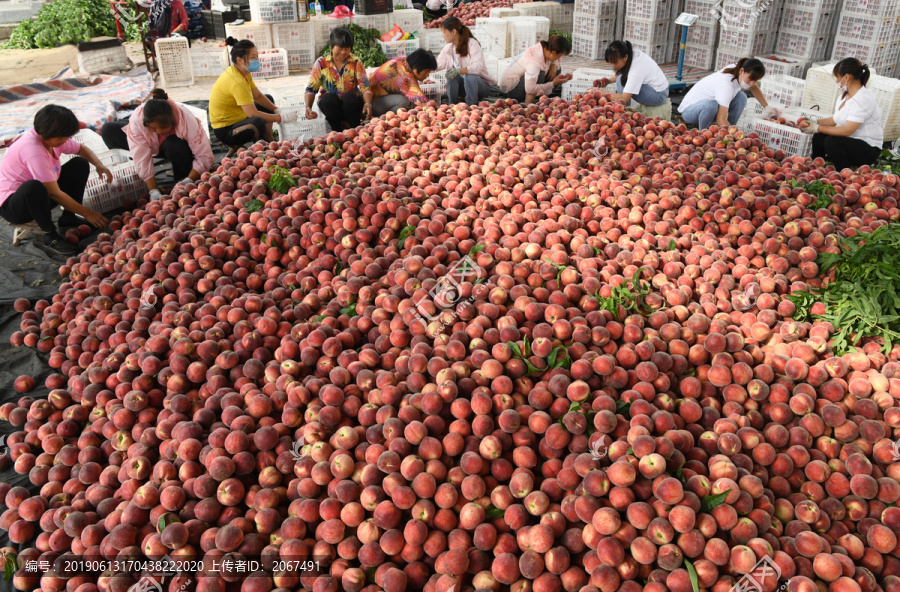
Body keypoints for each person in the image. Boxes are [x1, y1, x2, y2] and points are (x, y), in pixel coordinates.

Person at [0, 105, 110, 255]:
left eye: (66, 137)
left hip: (40, 195)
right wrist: (88, 214)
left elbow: (81, 149)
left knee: (79, 164)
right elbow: (54, 194)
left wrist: (99, 165)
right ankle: (50, 235)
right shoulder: (33, 150)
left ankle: (68, 219)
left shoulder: (53, 139)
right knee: (33, 187)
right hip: (13, 205)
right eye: (61, 137)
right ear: (46, 133)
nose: (64, 141)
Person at [100, 89, 214, 202]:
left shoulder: (185, 119)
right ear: (146, 123)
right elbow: (142, 158)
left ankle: (182, 177)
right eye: (153, 128)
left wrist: (188, 180)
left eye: (164, 128)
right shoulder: (138, 121)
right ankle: (136, 172)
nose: (159, 131)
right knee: (108, 130)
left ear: (172, 121)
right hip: (148, 142)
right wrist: (153, 191)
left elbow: (204, 155)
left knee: (174, 145)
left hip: (174, 146)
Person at [210, 37, 297, 146]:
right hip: (226, 130)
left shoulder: (243, 72)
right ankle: (264, 152)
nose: (256, 60)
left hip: (240, 118)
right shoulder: (237, 81)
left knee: (267, 99)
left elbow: (257, 96)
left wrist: (276, 110)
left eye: (257, 56)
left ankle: (269, 139)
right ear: (240, 60)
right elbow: (252, 114)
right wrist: (281, 117)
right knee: (257, 121)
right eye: (253, 57)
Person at [804, 58, 883, 171]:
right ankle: (816, 169)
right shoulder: (845, 95)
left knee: (832, 142)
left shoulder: (863, 99)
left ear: (846, 77)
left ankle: (843, 174)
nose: (837, 81)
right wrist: (814, 122)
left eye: (838, 77)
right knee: (819, 137)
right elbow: (835, 120)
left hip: (868, 148)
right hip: (850, 141)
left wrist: (818, 128)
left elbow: (847, 130)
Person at [305, 28, 374, 132]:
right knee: (329, 99)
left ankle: (354, 130)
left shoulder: (355, 62)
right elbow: (311, 89)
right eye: (340, 48)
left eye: (346, 49)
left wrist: (368, 103)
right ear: (332, 46)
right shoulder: (321, 62)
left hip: (351, 105)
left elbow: (365, 87)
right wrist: (308, 107)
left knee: (349, 99)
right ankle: (336, 130)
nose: (343, 52)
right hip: (330, 106)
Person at [678, 57, 776, 130]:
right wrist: (737, 137)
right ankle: (703, 134)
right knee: (711, 105)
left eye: (755, 80)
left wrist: (767, 107)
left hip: (710, 107)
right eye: (750, 79)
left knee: (741, 97)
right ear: (742, 71)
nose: (751, 83)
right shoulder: (726, 86)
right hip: (690, 111)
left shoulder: (738, 69)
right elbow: (721, 120)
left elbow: (754, 87)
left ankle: (728, 129)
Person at [437, 17, 495, 106]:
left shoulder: (472, 44)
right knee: (451, 75)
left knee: (470, 76)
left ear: (453, 31)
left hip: (479, 87)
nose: (443, 35)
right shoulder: (448, 48)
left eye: (444, 32)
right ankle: (452, 105)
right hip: (463, 88)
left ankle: (471, 106)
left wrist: (458, 71)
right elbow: (438, 65)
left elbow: (477, 67)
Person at [500, 36, 572, 105]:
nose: (559, 58)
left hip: (525, 81)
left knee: (556, 69)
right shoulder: (534, 63)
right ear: (553, 53)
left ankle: (543, 98)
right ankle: (528, 105)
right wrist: (553, 83)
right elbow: (530, 89)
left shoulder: (545, 49)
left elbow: (555, 61)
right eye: (559, 56)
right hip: (512, 91)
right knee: (541, 74)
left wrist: (554, 65)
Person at [369, 49, 438, 116]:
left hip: (379, 100)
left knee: (405, 106)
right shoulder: (404, 73)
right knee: (403, 101)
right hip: (371, 104)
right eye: (427, 71)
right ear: (416, 67)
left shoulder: (404, 62)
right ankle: (383, 119)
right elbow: (418, 97)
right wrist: (434, 110)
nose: (427, 75)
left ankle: (388, 118)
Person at [602, 40, 669, 108]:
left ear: (625, 57)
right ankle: (623, 109)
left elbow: (624, 98)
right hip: (655, 87)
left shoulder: (636, 69)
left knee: (621, 80)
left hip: (659, 94)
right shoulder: (631, 54)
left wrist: (603, 93)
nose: (613, 65)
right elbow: (624, 72)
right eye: (611, 62)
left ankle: (624, 110)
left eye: (615, 62)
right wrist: (608, 81)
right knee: (621, 78)